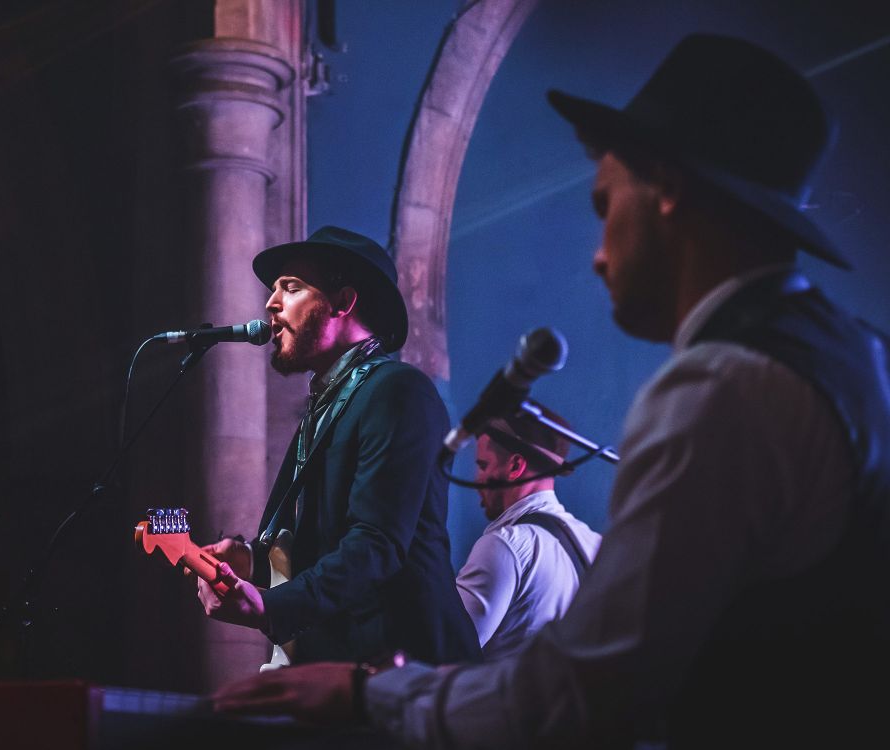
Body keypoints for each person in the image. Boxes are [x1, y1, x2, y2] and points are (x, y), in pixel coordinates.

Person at [210, 34, 890, 747]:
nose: (597, 255)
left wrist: (368, 693)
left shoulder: (723, 389)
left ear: (668, 190)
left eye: (604, 205)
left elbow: (586, 688)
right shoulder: (858, 359)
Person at [193, 225, 481, 667]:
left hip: (406, 674)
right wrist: (251, 559)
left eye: (291, 287)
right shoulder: (327, 404)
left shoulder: (398, 391)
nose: (271, 303)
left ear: (343, 302)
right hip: (346, 669)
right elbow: (321, 545)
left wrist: (271, 607)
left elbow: (376, 543)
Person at [455, 406, 601, 660]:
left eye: (483, 465)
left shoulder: (505, 546)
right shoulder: (597, 546)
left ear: (515, 466)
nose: (477, 479)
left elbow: (447, 650)